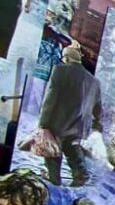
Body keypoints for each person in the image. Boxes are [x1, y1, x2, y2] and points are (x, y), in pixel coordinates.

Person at [33, 42, 103, 186]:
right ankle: (80, 174)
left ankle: (54, 179)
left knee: (53, 152)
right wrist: (96, 126)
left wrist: (43, 124)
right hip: (79, 127)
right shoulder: (94, 81)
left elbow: (50, 98)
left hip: (57, 124)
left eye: (63, 58)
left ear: (67, 58)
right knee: (72, 150)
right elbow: (98, 109)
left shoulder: (60, 71)